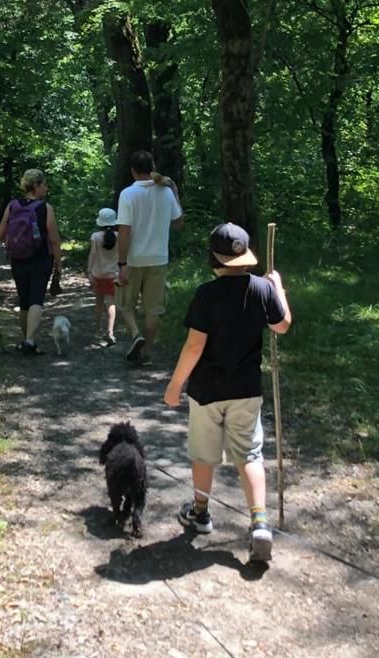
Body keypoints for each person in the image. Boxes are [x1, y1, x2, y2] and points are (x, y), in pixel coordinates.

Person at [163, 222, 291, 563]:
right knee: (249, 455)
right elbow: (283, 325)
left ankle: (201, 513)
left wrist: (176, 385)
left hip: (207, 390)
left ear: (214, 259)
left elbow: (194, 346)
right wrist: (279, 289)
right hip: (246, 389)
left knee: (204, 453)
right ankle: (259, 522)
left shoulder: (207, 295)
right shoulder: (263, 289)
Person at [0, 169, 62, 355]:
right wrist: (58, 263)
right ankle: (29, 340)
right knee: (36, 300)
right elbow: (55, 240)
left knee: (24, 301)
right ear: (36, 186)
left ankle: (28, 341)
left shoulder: (13, 206)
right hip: (41, 259)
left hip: (18, 259)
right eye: (44, 185)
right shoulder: (45, 208)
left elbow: (0, 232)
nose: (46, 188)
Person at [116, 150, 184, 364]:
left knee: (125, 304)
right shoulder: (165, 193)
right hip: (159, 258)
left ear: (132, 170)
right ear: (152, 167)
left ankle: (137, 335)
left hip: (135, 259)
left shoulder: (128, 194)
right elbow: (178, 222)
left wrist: (122, 263)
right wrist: (175, 192)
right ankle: (146, 354)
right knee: (154, 309)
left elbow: (124, 231)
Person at [87, 207, 119, 345]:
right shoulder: (120, 236)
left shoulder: (95, 237)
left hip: (98, 274)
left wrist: (89, 271)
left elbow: (93, 254)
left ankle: (97, 330)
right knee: (111, 303)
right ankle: (110, 332)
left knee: (99, 303)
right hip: (114, 274)